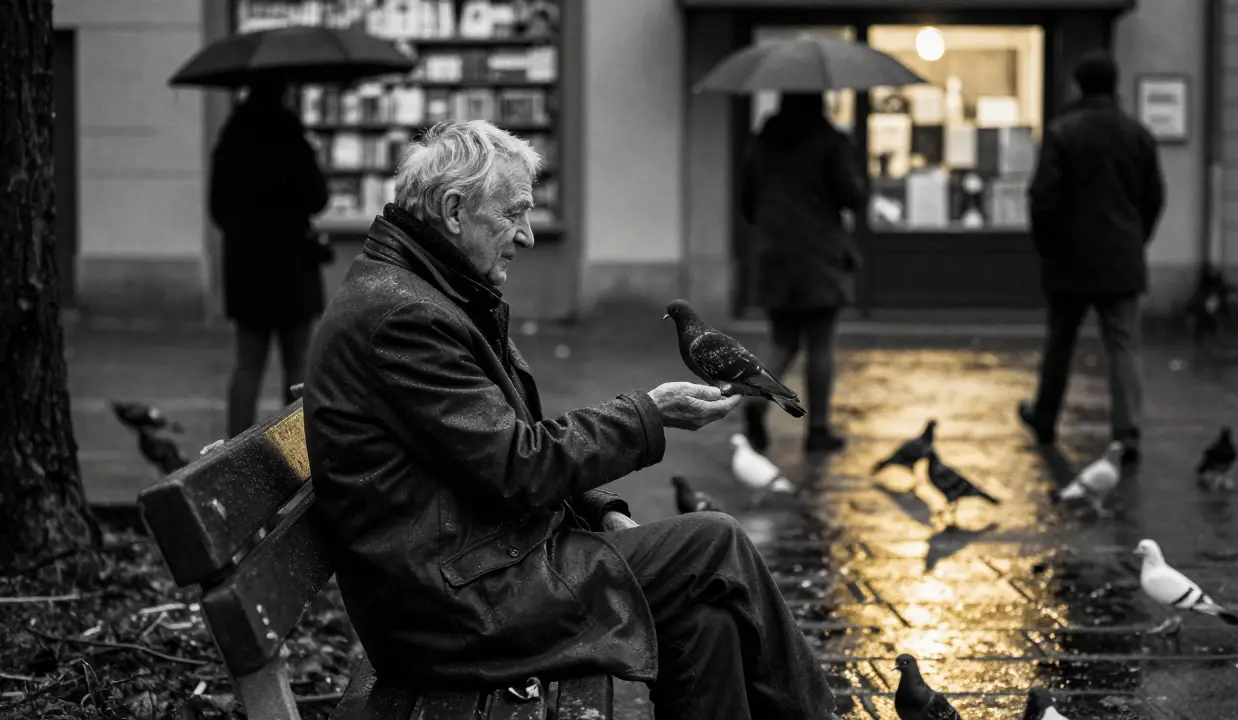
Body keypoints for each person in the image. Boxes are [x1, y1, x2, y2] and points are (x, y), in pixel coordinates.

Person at [302, 120, 839, 720]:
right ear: (455, 211)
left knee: (706, 616)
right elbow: (515, 465)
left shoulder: (429, 294)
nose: (527, 235)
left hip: (472, 572)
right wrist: (649, 414)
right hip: (455, 609)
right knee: (716, 542)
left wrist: (598, 507)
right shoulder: (404, 317)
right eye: (513, 214)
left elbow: (491, 449)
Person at [1018, 52, 1166, 466]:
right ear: (1115, 84)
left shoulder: (1063, 132)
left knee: (1060, 343)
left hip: (1070, 259)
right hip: (1121, 259)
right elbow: (1154, 197)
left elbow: (1041, 199)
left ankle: (1046, 418)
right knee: (1123, 347)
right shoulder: (1137, 134)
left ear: (1077, 85)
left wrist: (1049, 247)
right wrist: (1136, 239)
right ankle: (1127, 431)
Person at [739, 93, 866, 454]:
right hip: (818, 255)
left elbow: (747, 201)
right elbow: (852, 195)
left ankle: (755, 401)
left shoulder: (762, 142)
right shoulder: (830, 142)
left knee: (782, 341)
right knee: (820, 344)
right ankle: (818, 429)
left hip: (774, 254)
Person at [209, 79, 331, 438]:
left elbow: (217, 209)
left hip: (246, 269)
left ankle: (232, 455)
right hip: (292, 267)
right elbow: (317, 198)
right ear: (284, 93)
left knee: (247, 365)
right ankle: (296, 454)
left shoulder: (231, 137)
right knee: (296, 367)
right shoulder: (292, 138)